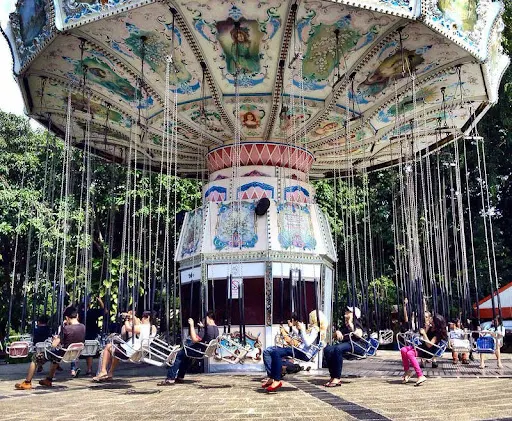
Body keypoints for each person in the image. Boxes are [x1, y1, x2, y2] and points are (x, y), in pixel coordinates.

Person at [15, 307, 85, 390]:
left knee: (35, 357)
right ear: (77, 316)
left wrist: (56, 338)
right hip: (73, 354)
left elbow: (54, 345)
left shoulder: (66, 329)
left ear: (66, 318)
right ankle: (48, 379)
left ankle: (27, 382)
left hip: (62, 353)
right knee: (55, 359)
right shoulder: (83, 327)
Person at [261, 310, 327, 392]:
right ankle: (272, 378)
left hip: (303, 353)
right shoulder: (316, 329)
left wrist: (302, 329)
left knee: (276, 353)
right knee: (275, 352)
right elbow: (302, 337)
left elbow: (307, 343)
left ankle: (276, 380)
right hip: (300, 350)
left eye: (311, 317)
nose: (309, 319)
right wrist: (294, 328)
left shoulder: (315, 330)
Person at [157, 311, 219, 386]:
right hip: (204, 350)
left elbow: (194, 339)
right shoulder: (216, 329)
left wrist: (192, 325)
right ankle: (180, 377)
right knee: (185, 355)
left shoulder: (206, 329)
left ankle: (170, 378)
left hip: (198, 351)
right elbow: (208, 334)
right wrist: (203, 327)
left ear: (207, 318)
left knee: (178, 354)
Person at [93, 310, 156, 382]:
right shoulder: (153, 328)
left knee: (108, 347)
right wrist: (132, 317)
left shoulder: (142, 328)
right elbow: (138, 323)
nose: (141, 319)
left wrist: (126, 319)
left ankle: (103, 371)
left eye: (143, 317)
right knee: (117, 350)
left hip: (129, 353)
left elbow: (128, 328)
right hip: (138, 353)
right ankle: (110, 373)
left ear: (147, 318)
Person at [400, 314, 447, 386]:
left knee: (410, 353)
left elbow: (429, 345)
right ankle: (407, 372)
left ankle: (420, 375)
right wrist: (427, 329)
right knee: (403, 350)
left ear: (435, 322)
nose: (430, 319)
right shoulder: (431, 328)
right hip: (422, 347)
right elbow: (422, 336)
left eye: (432, 319)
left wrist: (424, 333)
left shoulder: (438, 334)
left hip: (428, 351)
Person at [322, 307, 364, 387]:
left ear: (353, 314)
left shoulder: (357, 323)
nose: (346, 312)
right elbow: (334, 335)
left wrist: (350, 322)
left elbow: (359, 335)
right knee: (327, 349)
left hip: (357, 345)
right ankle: (333, 376)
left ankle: (337, 378)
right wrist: (337, 332)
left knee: (338, 349)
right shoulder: (344, 325)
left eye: (349, 311)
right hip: (347, 344)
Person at [80, 296, 108, 375]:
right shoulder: (92, 312)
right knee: (90, 352)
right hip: (91, 333)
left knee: (77, 351)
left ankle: (74, 369)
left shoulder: (79, 313)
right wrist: (100, 301)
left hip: (81, 333)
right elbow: (105, 311)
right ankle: (89, 369)